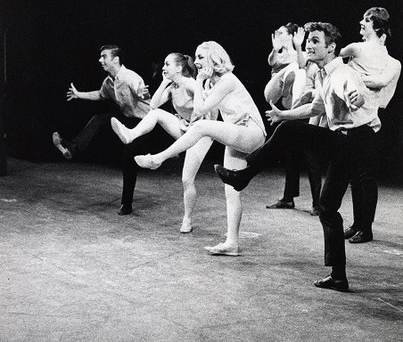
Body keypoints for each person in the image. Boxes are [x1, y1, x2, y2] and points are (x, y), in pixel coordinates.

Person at [214, 22, 381, 292]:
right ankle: (339, 276)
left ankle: (244, 175)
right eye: (309, 41)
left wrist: (356, 99)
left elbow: (355, 93)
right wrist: (282, 115)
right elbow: (314, 108)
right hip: (347, 142)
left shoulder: (342, 73)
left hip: (355, 140)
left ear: (332, 47)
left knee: (291, 132)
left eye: (316, 41)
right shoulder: (322, 74)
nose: (310, 45)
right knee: (327, 207)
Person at [135, 41, 266, 257]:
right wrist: (199, 89)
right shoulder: (210, 84)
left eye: (200, 57)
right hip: (236, 134)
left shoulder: (227, 81)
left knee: (202, 127)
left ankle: (159, 158)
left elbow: (199, 111)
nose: (195, 61)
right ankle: (232, 243)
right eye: (195, 57)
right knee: (231, 190)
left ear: (214, 59)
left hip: (252, 132)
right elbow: (203, 112)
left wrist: (198, 81)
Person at [110, 52, 214, 233]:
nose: (163, 68)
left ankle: (187, 219)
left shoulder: (191, 84)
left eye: (167, 64)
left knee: (186, 179)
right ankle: (131, 135)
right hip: (185, 128)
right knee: (156, 114)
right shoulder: (173, 86)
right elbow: (153, 105)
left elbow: (206, 111)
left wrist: (194, 123)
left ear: (179, 68)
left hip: (201, 133)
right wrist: (165, 82)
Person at [52, 45, 150, 216]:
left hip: (144, 124)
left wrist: (143, 94)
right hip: (127, 119)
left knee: (127, 159)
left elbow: (142, 92)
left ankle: (126, 204)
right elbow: (100, 94)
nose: (100, 60)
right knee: (101, 118)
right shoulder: (108, 81)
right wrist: (78, 94)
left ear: (116, 59)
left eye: (104, 56)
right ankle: (72, 148)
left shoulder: (130, 77)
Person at [340, 7, 401, 243]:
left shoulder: (393, 62)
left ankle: (366, 228)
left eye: (366, 20)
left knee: (366, 175)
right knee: (355, 175)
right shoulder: (357, 48)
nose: (361, 22)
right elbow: (336, 59)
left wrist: (353, 76)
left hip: (374, 119)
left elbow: (381, 81)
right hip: (354, 116)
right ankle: (357, 224)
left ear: (378, 28)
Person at [264, 24, 323, 214]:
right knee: (290, 154)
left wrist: (298, 46)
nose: (278, 35)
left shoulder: (307, 58)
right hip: (290, 107)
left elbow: (302, 66)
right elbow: (272, 62)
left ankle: (317, 203)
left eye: (282, 32)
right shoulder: (282, 55)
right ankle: (289, 198)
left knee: (311, 156)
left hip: (306, 110)